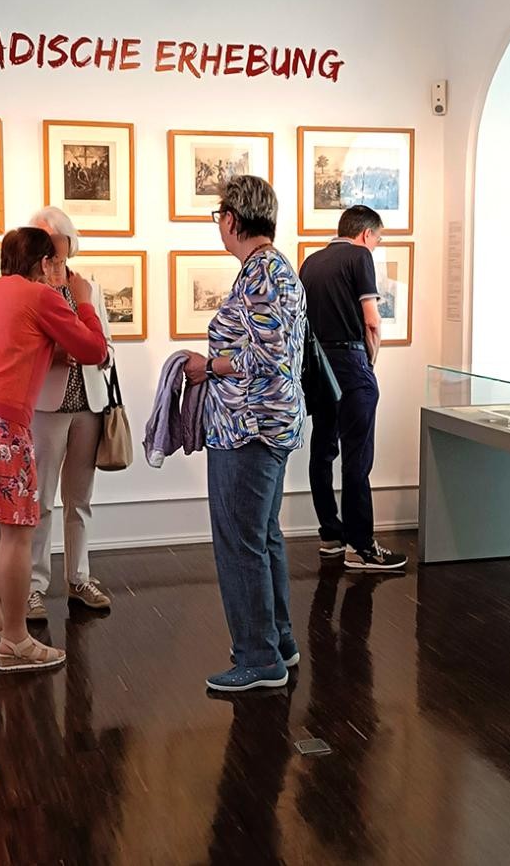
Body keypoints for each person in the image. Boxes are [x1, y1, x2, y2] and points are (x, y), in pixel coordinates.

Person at [0, 227, 108, 673]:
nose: (62, 271)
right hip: (0, 419)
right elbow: (93, 349)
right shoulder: (42, 295)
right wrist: (82, 299)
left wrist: (38, 352)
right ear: (46, 263)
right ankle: (15, 640)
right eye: (58, 264)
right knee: (17, 529)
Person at [184, 175, 307, 693]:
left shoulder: (261, 273)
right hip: (268, 425)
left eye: (219, 218)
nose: (219, 226)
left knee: (239, 543)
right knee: (262, 537)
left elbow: (268, 357)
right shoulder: (277, 269)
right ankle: (278, 642)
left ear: (231, 220)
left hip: (249, 429)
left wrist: (209, 365)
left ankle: (260, 660)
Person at [299, 204, 407, 572]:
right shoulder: (360, 256)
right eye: (377, 239)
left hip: (317, 365)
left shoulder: (311, 263)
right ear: (365, 234)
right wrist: (370, 364)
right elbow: (372, 322)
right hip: (350, 361)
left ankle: (330, 535)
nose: (375, 246)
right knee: (357, 458)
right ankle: (361, 547)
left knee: (323, 448)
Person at [25, 207, 114, 620]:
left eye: (52, 239)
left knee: (80, 499)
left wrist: (89, 352)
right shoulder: (30, 289)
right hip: (47, 406)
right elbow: (26, 352)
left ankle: (79, 579)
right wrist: (62, 353)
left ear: (67, 242)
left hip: (89, 405)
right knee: (40, 500)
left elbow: (105, 346)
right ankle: (32, 587)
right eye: (39, 239)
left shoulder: (87, 288)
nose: (48, 250)